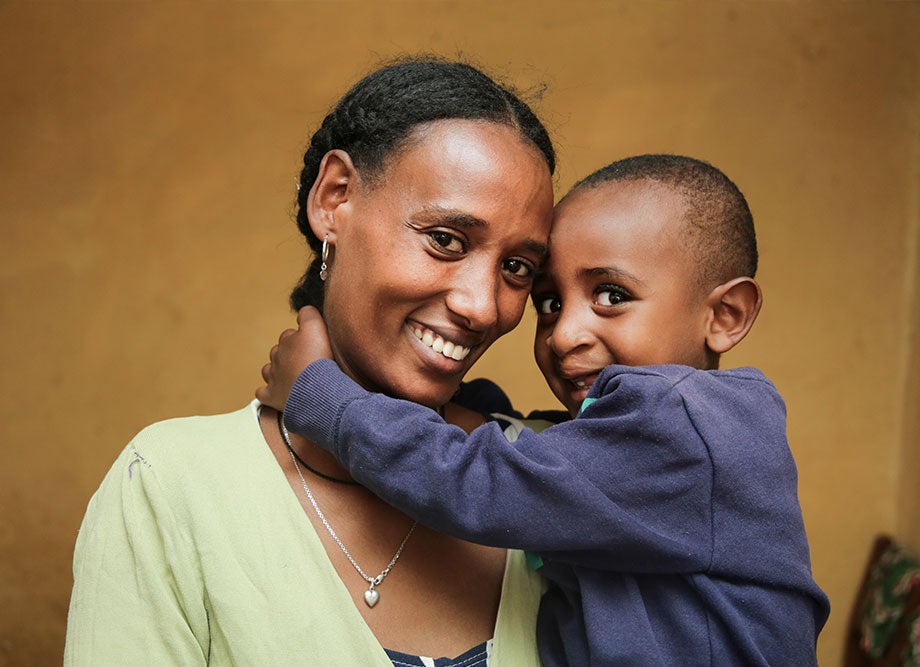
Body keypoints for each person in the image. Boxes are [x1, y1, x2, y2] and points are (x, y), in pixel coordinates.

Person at [65, 57, 558, 667]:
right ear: (334, 198)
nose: (483, 308)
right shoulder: (172, 488)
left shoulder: (553, 476)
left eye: (517, 268)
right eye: (446, 240)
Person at [258, 154, 832, 666]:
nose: (563, 336)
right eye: (550, 303)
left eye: (611, 295)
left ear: (725, 315)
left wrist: (320, 393)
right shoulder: (655, 442)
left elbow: (482, 482)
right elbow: (555, 455)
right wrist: (464, 405)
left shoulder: (686, 424)